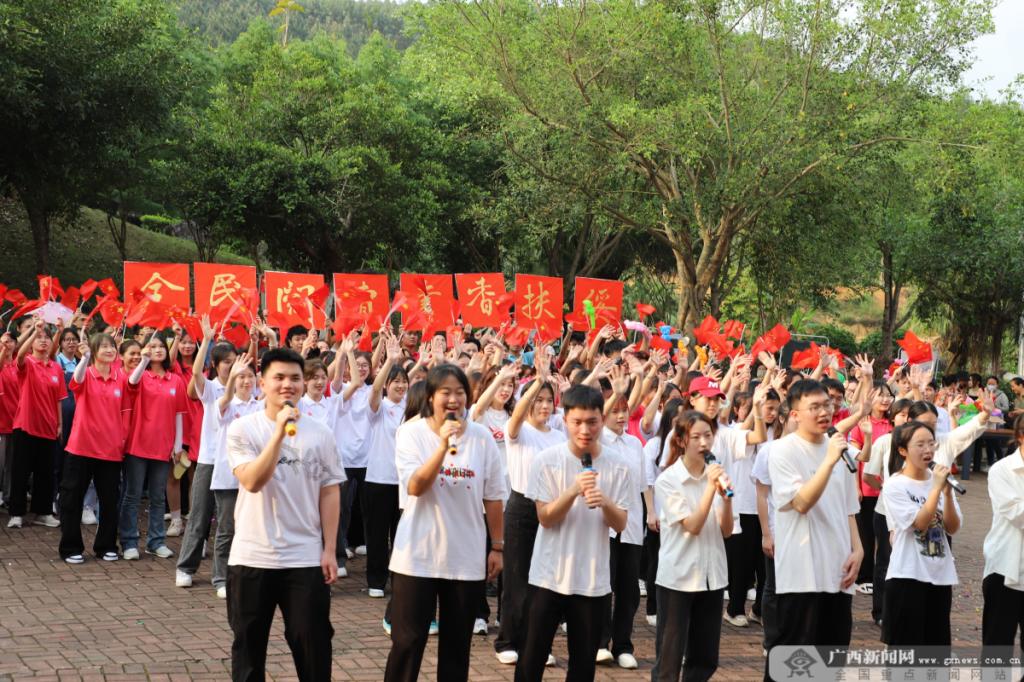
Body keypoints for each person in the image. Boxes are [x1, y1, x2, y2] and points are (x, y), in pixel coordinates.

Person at [225, 347, 344, 682]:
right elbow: (252, 481)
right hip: (252, 556)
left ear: (304, 383)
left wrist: (330, 549)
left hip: (304, 556)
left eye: (295, 378)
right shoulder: (243, 429)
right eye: (278, 377)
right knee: (249, 651)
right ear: (262, 382)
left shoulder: (321, 433)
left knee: (313, 645)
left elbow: (330, 490)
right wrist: (278, 433)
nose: (287, 385)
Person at [384, 364, 507, 682]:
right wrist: (442, 446)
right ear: (430, 396)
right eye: (445, 392)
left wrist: (497, 546)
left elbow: (493, 496)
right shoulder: (411, 432)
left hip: (464, 558)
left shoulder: (481, 438)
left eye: (460, 392)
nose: (454, 399)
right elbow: (415, 487)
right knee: (407, 643)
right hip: (417, 557)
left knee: (456, 647)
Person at [515, 384, 631, 682]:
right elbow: (545, 518)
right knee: (530, 659)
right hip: (548, 575)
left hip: (591, 580)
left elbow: (620, 524)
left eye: (592, 422)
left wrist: (604, 501)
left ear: (602, 420)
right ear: (564, 419)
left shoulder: (619, 466)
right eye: (577, 422)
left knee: (583, 666)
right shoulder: (547, 460)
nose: (584, 430)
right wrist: (572, 491)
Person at [766, 379, 862, 674]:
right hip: (802, 571)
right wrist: (828, 462)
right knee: (792, 659)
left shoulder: (840, 450)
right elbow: (801, 503)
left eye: (828, 405)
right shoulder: (782, 450)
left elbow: (848, 507)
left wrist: (858, 549)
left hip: (838, 568)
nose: (824, 412)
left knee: (831, 658)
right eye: (815, 407)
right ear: (795, 414)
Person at [651, 411, 735, 682]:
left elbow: (727, 530)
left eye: (708, 435)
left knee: (705, 657)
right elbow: (692, 525)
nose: (704, 443)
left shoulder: (716, 475)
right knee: (669, 658)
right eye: (696, 436)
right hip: (679, 577)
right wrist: (711, 488)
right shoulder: (668, 480)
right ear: (681, 440)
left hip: (712, 577)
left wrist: (727, 500)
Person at [494, 351, 565, 666]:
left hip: (550, 509)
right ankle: (507, 641)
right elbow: (517, 416)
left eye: (549, 400)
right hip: (521, 507)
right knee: (517, 579)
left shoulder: (559, 437)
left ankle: (538, 644)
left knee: (544, 582)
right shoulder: (518, 431)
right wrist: (539, 380)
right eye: (538, 400)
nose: (544, 406)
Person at [881, 421, 960, 646]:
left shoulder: (940, 481)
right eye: (920, 444)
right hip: (907, 575)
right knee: (907, 651)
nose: (928, 450)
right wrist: (936, 489)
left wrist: (947, 494)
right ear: (902, 450)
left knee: (936, 650)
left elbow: (952, 528)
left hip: (940, 575)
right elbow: (919, 523)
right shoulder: (895, 485)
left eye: (931, 443)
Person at [176, 317, 236, 589]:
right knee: (199, 518)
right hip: (209, 460)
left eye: (234, 362)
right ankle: (185, 567)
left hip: (234, 464)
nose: (231, 366)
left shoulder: (246, 390)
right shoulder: (210, 389)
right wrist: (207, 340)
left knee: (226, 524)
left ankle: (221, 576)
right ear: (216, 364)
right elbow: (196, 373)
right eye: (226, 362)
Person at [57, 332, 127, 563]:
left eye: (112, 346)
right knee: (72, 498)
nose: (109, 350)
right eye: (103, 346)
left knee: (109, 499)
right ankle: (71, 547)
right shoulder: (85, 373)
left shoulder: (120, 377)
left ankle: (106, 545)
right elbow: (75, 381)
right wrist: (84, 357)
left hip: (110, 449)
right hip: (81, 446)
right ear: (94, 351)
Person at [120, 333, 187, 560]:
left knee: (158, 496)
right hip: (137, 444)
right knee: (133, 495)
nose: (158, 349)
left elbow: (179, 414)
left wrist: (178, 445)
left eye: (161, 346)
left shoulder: (175, 380)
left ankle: (156, 542)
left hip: (163, 446)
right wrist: (144, 360)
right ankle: (129, 542)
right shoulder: (141, 374)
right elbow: (131, 382)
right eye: (153, 346)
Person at [596, 365, 646, 670]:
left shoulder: (635, 444)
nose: (620, 416)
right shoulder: (598, 441)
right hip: (604, 524)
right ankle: (600, 643)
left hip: (633, 525)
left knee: (629, 590)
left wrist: (651, 514)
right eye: (614, 410)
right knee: (605, 585)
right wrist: (615, 393)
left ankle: (623, 644)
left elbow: (642, 486)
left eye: (624, 410)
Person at [208, 354, 261, 599]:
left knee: (250, 530)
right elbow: (225, 400)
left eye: (250, 376)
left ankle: (247, 577)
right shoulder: (225, 404)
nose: (246, 381)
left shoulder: (260, 407)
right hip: (228, 477)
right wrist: (232, 378)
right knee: (226, 529)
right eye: (241, 377)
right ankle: (221, 578)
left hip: (254, 478)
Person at [7, 319, 66, 529]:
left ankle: (43, 512)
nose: (43, 341)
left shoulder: (56, 368)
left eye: (46, 338)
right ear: (32, 342)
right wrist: (35, 330)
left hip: (48, 426)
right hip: (25, 425)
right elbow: (20, 355)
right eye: (39, 338)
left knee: (45, 473)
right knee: (20, 472)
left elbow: (59, 399)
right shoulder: (28, 363)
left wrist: (59, 424)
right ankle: (16, 513)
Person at [363, 335, 409, 599]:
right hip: (379, 479)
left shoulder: (412, 409)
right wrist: (390, 361)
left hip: (404, 482)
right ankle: (376, 580)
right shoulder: (379, 408)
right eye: (395, 382)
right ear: (387, 385)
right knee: (378, 534)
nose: (400, 386)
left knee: (401, 534)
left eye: (404, 381)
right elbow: (373, 391)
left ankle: (399, 579)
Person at [982, 414, 1024, 660]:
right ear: (1020, 437)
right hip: (1005, 567)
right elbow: (1016, 514)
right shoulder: (1002, 470)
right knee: (997, 644)